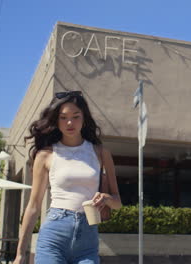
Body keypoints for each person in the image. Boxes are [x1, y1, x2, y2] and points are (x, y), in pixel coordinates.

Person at [14, 91, 122, 264]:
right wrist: (20, 253)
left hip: (87, 241)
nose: (70, 122)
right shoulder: (46, 155)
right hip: (54, 237)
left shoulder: (101, 153)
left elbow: (117, 203)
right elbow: (33, 206)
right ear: (56, 120)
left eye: (75, 116)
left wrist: (106, 198)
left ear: (84, 118)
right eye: (63, 117)